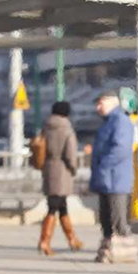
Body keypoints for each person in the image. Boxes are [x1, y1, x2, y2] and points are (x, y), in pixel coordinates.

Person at [90, 90, 137, 263]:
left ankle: (124, 252)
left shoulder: (120, 121)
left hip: (116, 179)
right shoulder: (108, 122)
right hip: (107, 179)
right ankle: (108, 251)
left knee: (118, 219)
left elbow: (121, 149)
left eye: (101, 103)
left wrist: (103, 165)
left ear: (112, 102)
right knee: (106, 218)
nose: (98, 107)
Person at [37, 101, 82, 255]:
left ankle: (72, 239)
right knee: (53, 207)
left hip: (48, 168)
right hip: (62, 171)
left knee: (62, 206)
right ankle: (44, 241)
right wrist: (73, 168)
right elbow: (70, 154)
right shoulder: (67, 130)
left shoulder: (46, 127)